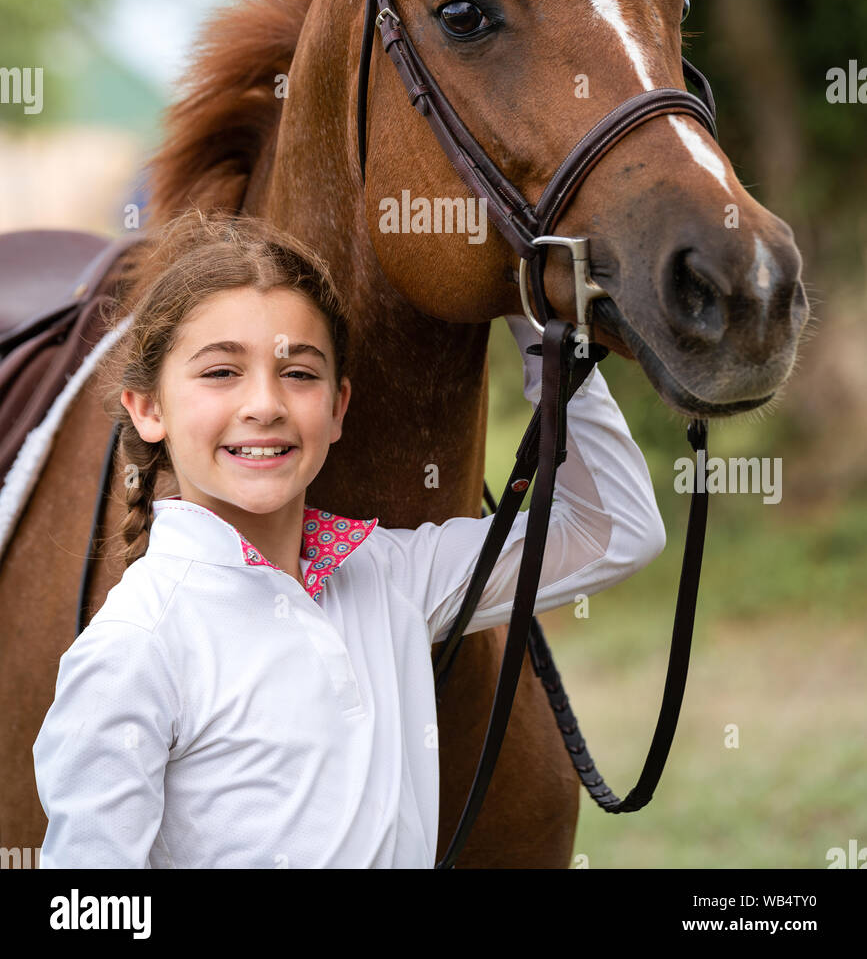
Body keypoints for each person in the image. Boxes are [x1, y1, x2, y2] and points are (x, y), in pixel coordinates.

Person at [32, 207, 666, 869]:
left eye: (299, 373)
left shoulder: (388, 577)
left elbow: (614, 530)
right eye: (221, 372)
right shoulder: (136, 646)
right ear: (148, 408)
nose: (265, 405)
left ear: (337, 408)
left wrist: (533, 324)